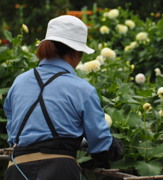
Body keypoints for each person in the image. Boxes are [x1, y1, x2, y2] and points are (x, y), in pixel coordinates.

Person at [4, 15, 123, 180]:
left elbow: (13, 136)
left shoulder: (19, 83)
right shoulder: (82, 89)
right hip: (59, 171)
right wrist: (115, 148)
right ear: (76, 53)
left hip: (17, 170)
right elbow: (100, 147)